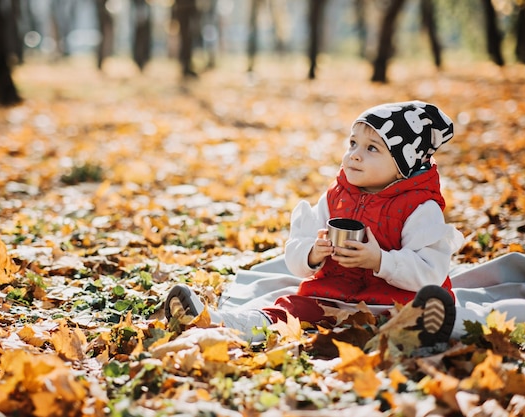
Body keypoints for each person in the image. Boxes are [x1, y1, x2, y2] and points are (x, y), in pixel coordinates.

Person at [165, 101, 465, 346]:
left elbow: (430, 273)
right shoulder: (336, 197)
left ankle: (423, 329)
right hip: (329, 296)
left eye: (372, 148)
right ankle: (215, 322)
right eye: (353, 144)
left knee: (408, 316)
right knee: (288, 310)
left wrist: (380, 260)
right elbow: (296, 250)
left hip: (390, 302)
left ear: (404, 166)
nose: (355, 156)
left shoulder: (420, 209)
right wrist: (312, 253)